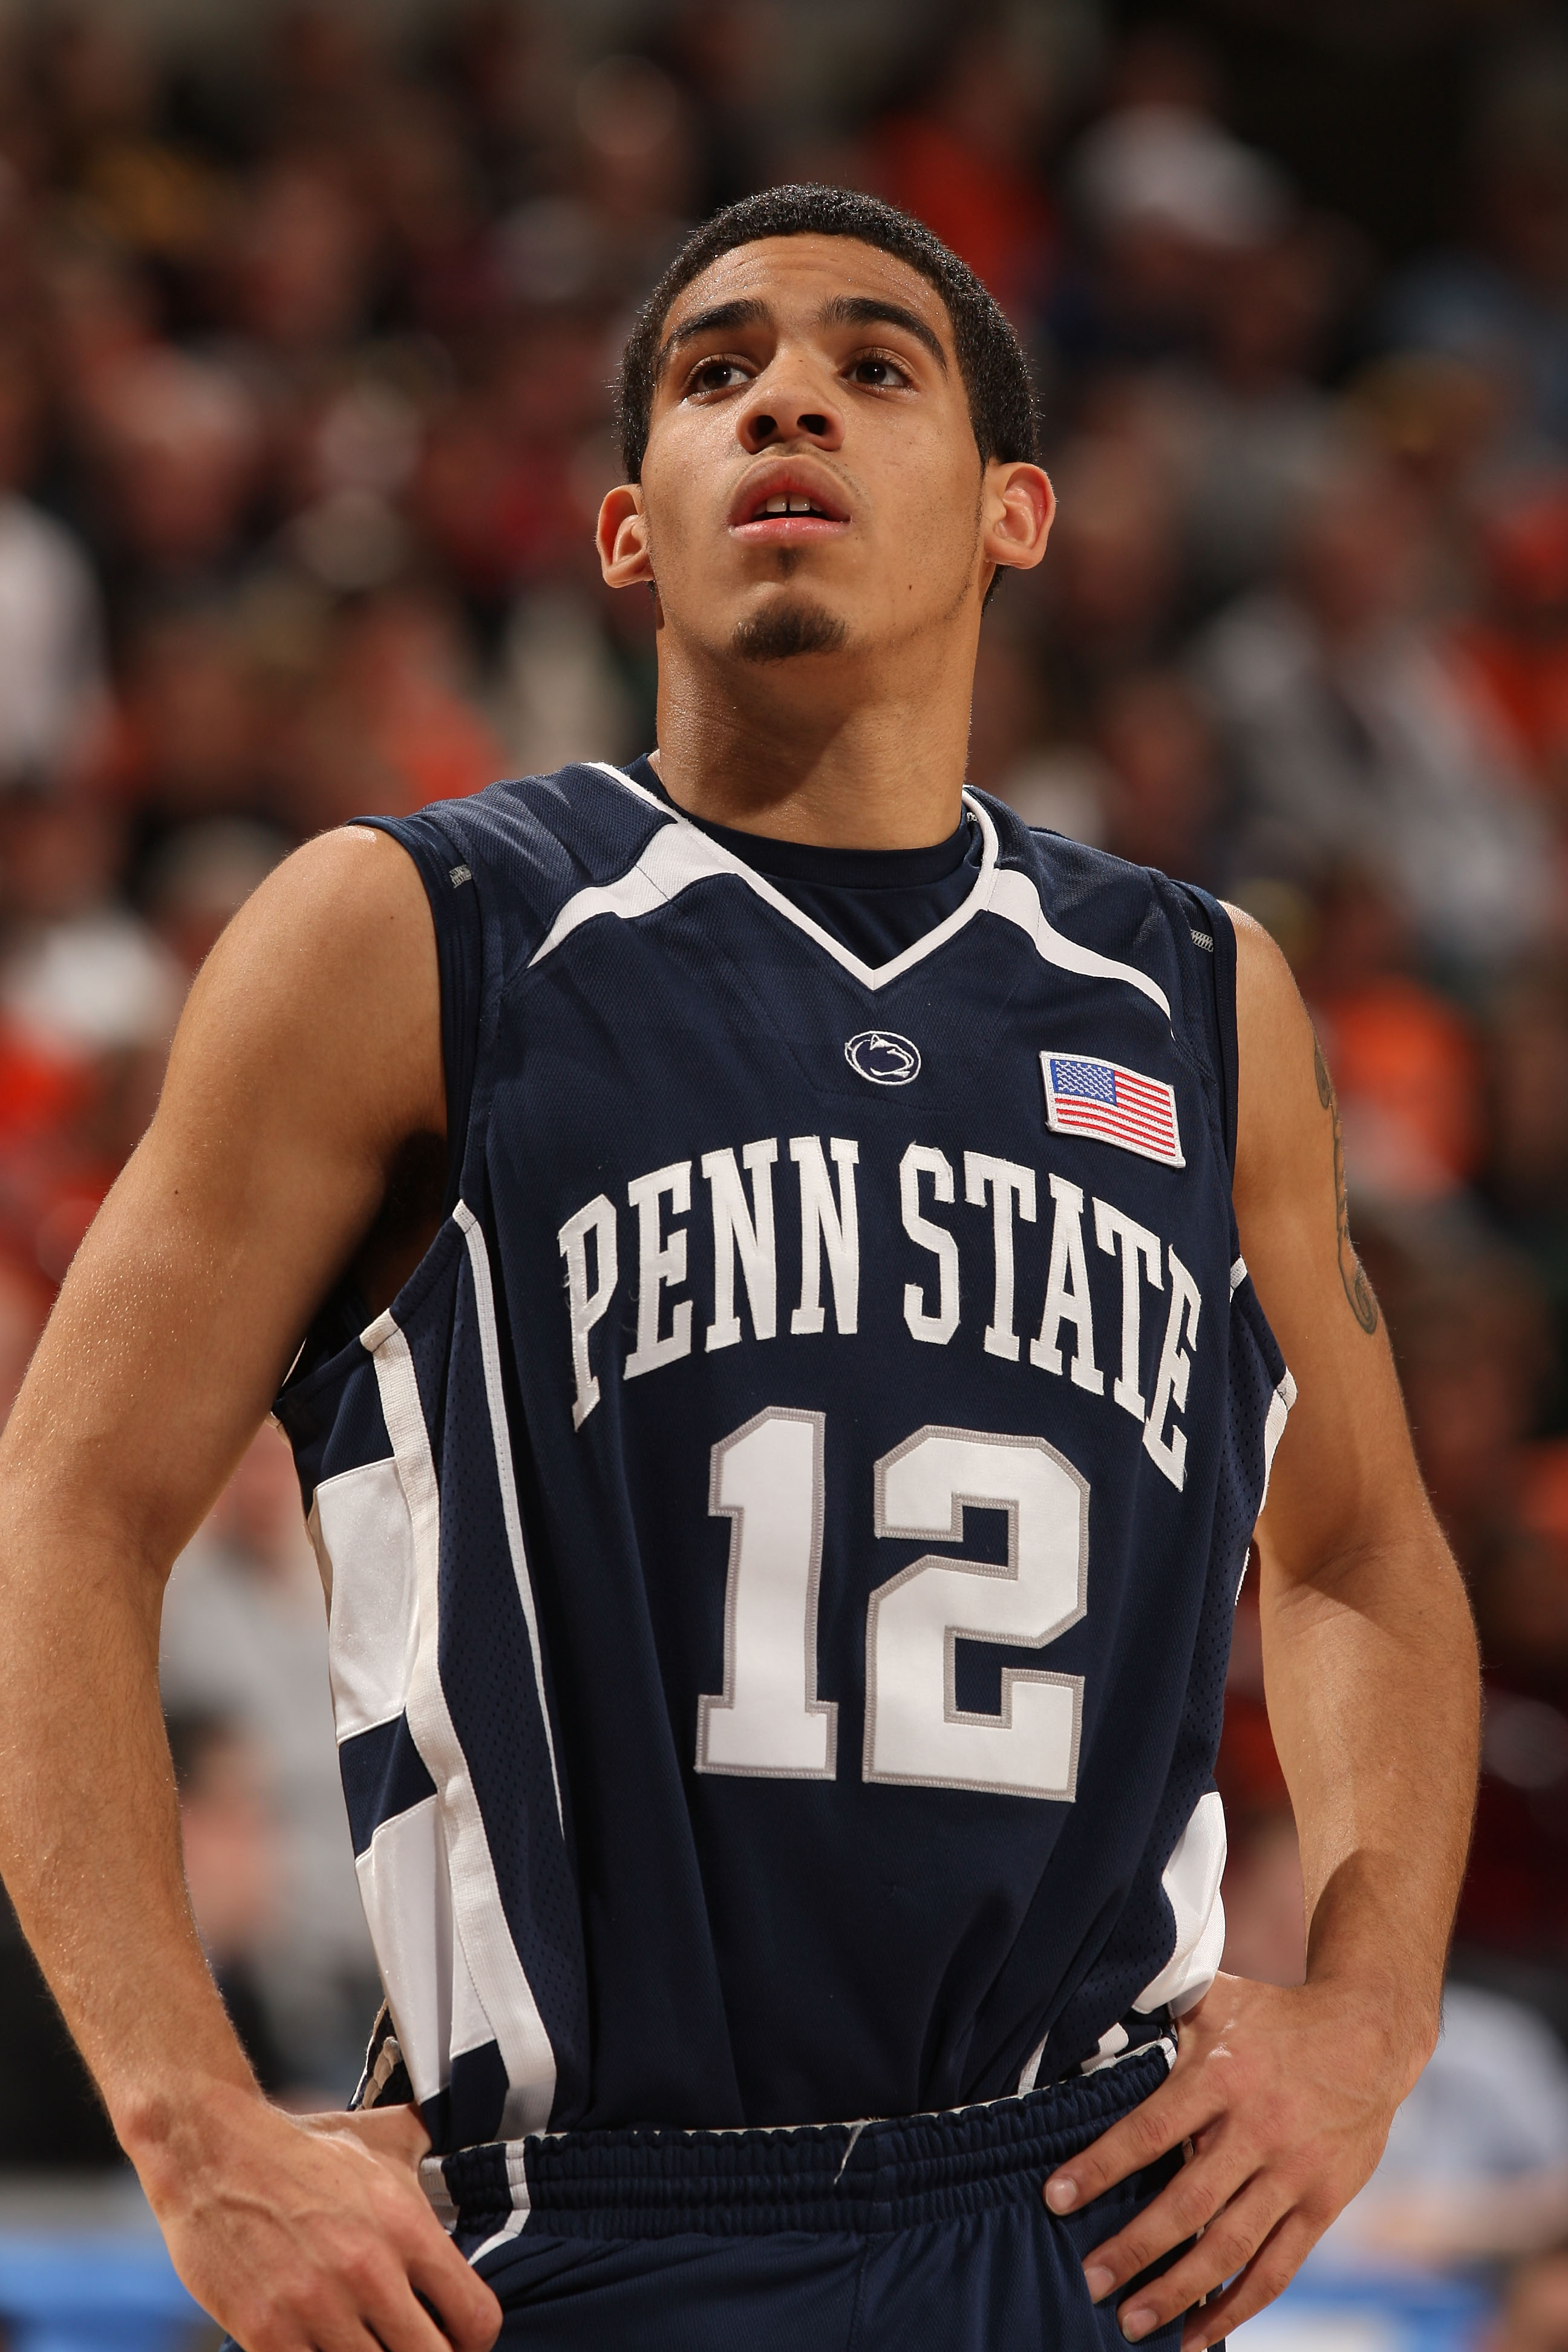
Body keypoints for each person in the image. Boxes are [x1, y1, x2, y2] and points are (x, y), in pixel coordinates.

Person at [0, 185, 1478, 2352]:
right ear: (627, 532)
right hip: (575, 2230)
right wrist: (185, 2114)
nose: (789, 392)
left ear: (1015, 512)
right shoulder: (417, 936)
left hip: (1065, 2217)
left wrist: (1368, 2018)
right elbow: (64, 1507)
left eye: (878, 367)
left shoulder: (1193, 997)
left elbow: (1353, 1544)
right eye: (718, 372)